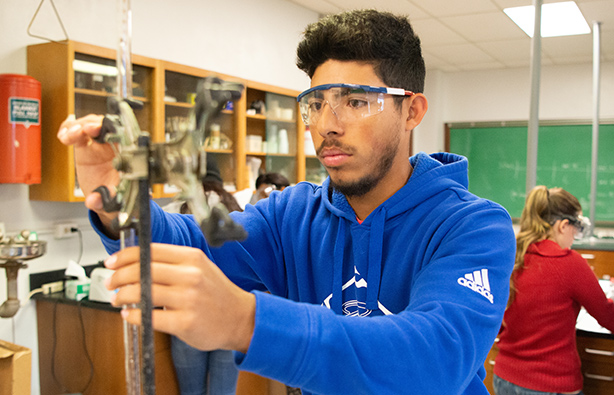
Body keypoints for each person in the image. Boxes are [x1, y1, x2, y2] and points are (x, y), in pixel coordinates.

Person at [57, 10, 516, 394]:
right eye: (316, 103)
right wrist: (124, 204)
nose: (327, 125)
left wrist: (248, 321)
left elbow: (433, 361)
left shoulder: (472, 226)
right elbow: (188, 247)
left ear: (412, 111)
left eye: (356, 102)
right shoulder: (292, 215)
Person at [493, 186, 614, 395]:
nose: (575, 237)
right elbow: (607, 316)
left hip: (504, 378)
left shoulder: (514, 256)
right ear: (563, 225)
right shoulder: (570, 263)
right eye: (576, 229)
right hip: (550, 384)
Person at [163, 155, 241, 395]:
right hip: (230, 313)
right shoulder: (236, 207)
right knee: (223, 392)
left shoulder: (175, 209)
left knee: (191, 392)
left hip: (187, 314)